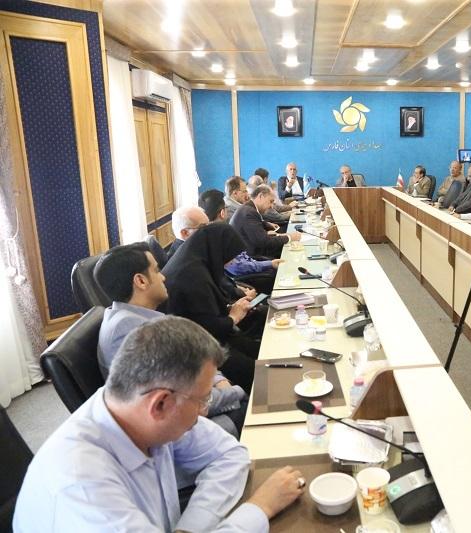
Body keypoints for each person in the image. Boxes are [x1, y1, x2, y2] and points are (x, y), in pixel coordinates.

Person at [13, 317, 304, 532]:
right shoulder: (82, 487)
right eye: (202, 399)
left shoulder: (134, 409)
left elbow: (230, 453)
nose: (204, 410)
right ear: (161, 403)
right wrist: (260, 508)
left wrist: (189, 528)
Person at [93, 243, 247, 436]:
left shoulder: (135, 317)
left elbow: (192, 359)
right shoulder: (129, 331)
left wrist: (219, 380)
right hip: (181, 433)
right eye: (157, 271)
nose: (163, 277)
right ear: (141, 281)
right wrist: (236, 392)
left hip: (195, 405)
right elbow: (176, 402)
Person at [162, 223, 263, 362]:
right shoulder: (193, 276)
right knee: (258, 365)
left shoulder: (193, 259)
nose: (231, 260)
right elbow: (207, 326)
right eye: (230, 254)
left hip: (210, 335)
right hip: (196, 348)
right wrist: (233, 317)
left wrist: (232, 308)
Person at [201, 191, 283, 295]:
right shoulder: (219, 235)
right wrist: (269, 264)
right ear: (222, 213)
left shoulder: (212, 234)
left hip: (246, 270)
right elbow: (238, 267)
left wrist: (269, 263)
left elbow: (241, 258)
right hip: (245, 279)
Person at [229, 184, 301, 259]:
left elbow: (259, 236)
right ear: (261, 196)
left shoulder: (249, 209)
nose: (271, 206)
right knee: (292, 253)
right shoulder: (249, 213)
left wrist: (267, 231)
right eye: (271, 201)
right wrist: (289, 237)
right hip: (251, 257)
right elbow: (264, 242)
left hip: (252, 251)